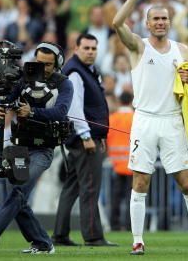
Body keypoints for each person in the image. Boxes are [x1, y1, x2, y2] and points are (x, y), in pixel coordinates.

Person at [112, 0, 188, 255]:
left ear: (170, 22)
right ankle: (138, 240)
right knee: (141, 180)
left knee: (185, 181)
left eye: (164, 18)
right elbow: (117, 22)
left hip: (172, 121)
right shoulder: (138, 46)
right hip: (144, 119)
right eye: (155, 18)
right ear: (147, 23)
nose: (160, 22)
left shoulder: (182, 49)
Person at [0, 42, 73, 254]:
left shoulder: (64, 84)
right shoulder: (23, 79)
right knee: (17, 194)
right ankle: (42, 243)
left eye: (48, 64)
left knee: (19, 190)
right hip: (19, 147)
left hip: (43, 149)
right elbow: (2, 99)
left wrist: (32, 113)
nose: (43, 68)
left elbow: (61, 112)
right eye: (39, 62)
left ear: (57, 64)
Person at [52, 33, 116, 247]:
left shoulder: (87, 70)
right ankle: (93, 236)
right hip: (84, 139)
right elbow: (74, 107)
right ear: (76, 48)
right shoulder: (76, 72)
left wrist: (100, 135)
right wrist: (87, 135)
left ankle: (60, 234)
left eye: (93, 48)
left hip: (86, 136)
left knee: (72, 187)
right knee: (90, 188)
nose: (90, 52)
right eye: (86, 48)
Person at [107, 91, 134, 231]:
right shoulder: (135, 117)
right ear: (131, 101)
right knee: (132, 197)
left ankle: (114, 224)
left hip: (116, 164)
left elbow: (108, 137)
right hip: (132, 164)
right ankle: (130, 225)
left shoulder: (113, 118)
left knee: (115, 196)